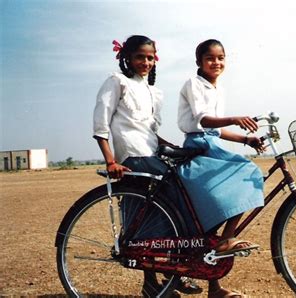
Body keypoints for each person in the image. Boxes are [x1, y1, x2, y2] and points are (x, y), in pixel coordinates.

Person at [93, 35, 202, 297]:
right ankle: (172, 273)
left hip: (152, 154)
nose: (146, 62)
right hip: (132, 157)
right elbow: (101, 123)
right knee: (165, 209)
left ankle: (157, 280)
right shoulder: (117, 82)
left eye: (150, 57)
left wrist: (177, 149)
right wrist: (110, 160)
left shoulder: (154, 92)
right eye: (140, 56)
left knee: (159, 215)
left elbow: (150, 132)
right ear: (126, 58)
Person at [177, 39, 265, 298]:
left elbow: (216, 129)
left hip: (209, 141)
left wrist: (246, 139)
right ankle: (228, 238)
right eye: (210, 58)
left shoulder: (218, 88)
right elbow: (204, 120)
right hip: (198, 145)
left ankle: (214, 286)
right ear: (199, 62)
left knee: (210, 224)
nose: (216, 62)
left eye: (221, 58)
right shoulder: (194, 84)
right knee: (251, 173)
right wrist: (236, 118)